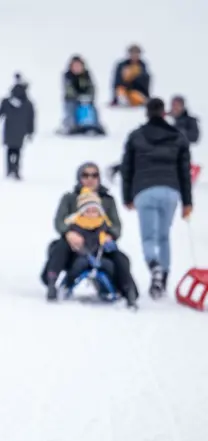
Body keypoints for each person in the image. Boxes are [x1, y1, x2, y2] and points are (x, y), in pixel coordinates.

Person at [121, 97, 192, 298]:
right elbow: (184, 171)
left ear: (146, 112)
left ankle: (154, 266)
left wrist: (127, 196)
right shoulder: (177, 136)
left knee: (148, 237)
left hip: (144, 189)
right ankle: (164, 278)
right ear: (164, 112)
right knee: (163, 236)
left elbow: (127, 168)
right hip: (170, 190)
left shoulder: (136, 136)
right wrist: (187, 202)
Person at [40, 163, 137, 303]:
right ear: (79, 178)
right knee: (60, 247)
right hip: (75, 244)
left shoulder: (107, 200)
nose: (90, 179)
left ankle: (128, 290)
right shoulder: (70, 198)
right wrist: (68, 233)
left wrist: (110, 235)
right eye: (85, 175)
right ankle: (51, 281)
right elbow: (59, 221)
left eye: (94, 175)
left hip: (100, 243)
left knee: (120, 258)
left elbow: (116, 225)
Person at [0, 73, 35, 180]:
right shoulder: (28, 104)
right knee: (18, 151)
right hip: (21, 131)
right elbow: (31, 119)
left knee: (9, 150)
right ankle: (16, 169)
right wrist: (30, 131)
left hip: (9, 129)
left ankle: (9, 169)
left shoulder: (7, 101)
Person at [61, 55, 104, 136]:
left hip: (87, 99)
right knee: (71, 109)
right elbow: (68, 89)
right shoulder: (68, 76)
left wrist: (89, 97)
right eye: (75, 66)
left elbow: (92, 88)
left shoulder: (86, 76)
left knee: (92, 109)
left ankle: (96, 125)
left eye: (79, 66)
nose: (77, 68)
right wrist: (77, 97)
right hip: (72, 100)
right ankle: (71, 126)